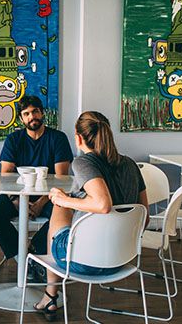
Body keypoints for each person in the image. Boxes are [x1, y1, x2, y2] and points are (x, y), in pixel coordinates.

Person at [34, 111, 149, 322]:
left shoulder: (83, 163)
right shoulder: (131, 164)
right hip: (122, 260)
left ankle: (51, 294)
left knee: (61, 203)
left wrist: (63, 199)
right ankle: (50, 294)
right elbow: (145, 218)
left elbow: (103, 204)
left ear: (78, 138)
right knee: (70, 201)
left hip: (84, 262)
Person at [0, 96, 73, 264]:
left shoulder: (58, 138)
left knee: (64, 216)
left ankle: (35, 249)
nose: (31, 117)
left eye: (35, 112)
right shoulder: (13, 140)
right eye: (26, 114)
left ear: (42, 113)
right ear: (21, 118)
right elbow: (6, 176)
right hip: (17, 195)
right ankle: (22, 258)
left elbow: (62, 180)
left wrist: (40, 203)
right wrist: (16, 200)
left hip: (50, 197)